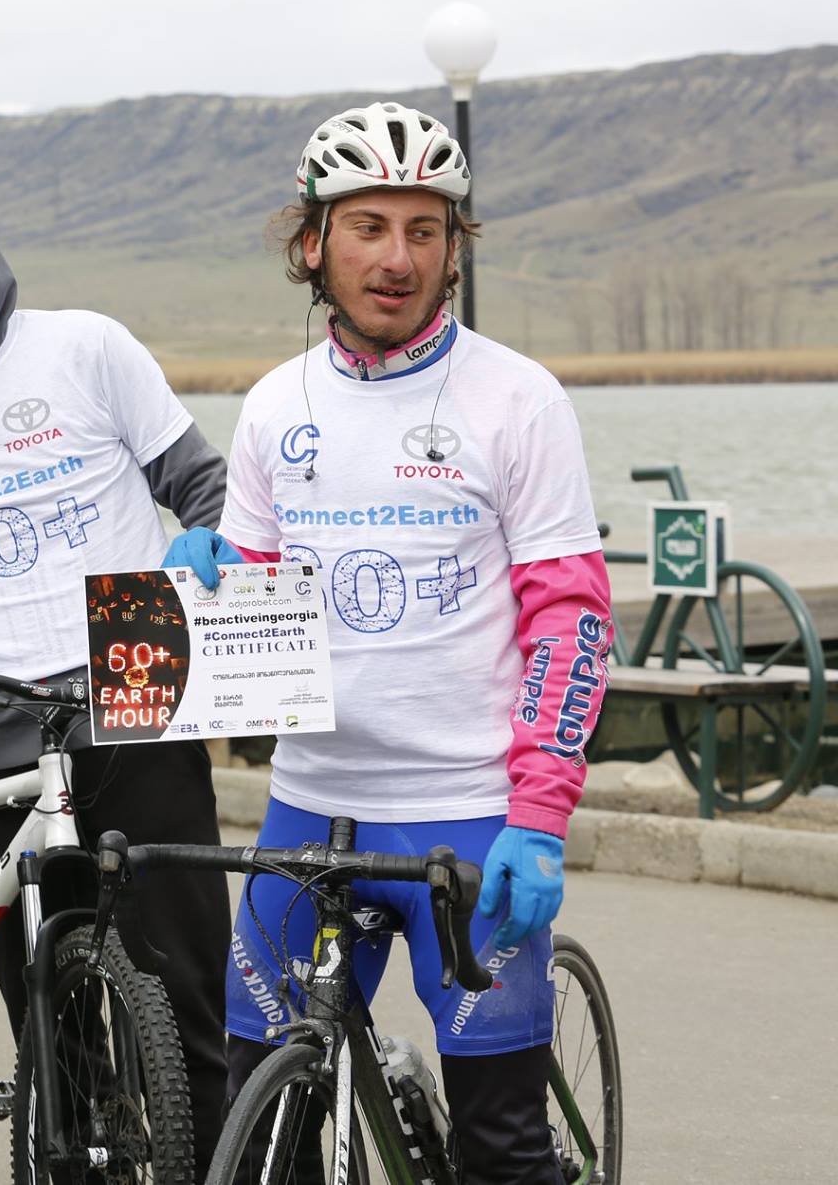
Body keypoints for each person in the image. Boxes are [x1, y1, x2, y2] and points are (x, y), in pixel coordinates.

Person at [207, 102, 613, 1184]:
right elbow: (252, 609)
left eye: (423, 230)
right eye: (368, 227)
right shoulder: (272, 405)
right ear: (312, 244)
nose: (397, 258)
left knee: (500, 1150)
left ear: (451, 248)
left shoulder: (516, 397)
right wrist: (205, 582)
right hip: (309, 808)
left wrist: (538, 816)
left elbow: (570, 618)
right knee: (258, 1133)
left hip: (469, 816)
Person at [0, 186, 233, 1177]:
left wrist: (214, 545)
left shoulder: (85, 347)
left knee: (185, 992)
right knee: (48, 1023)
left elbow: (202, 485)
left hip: (134, 698)